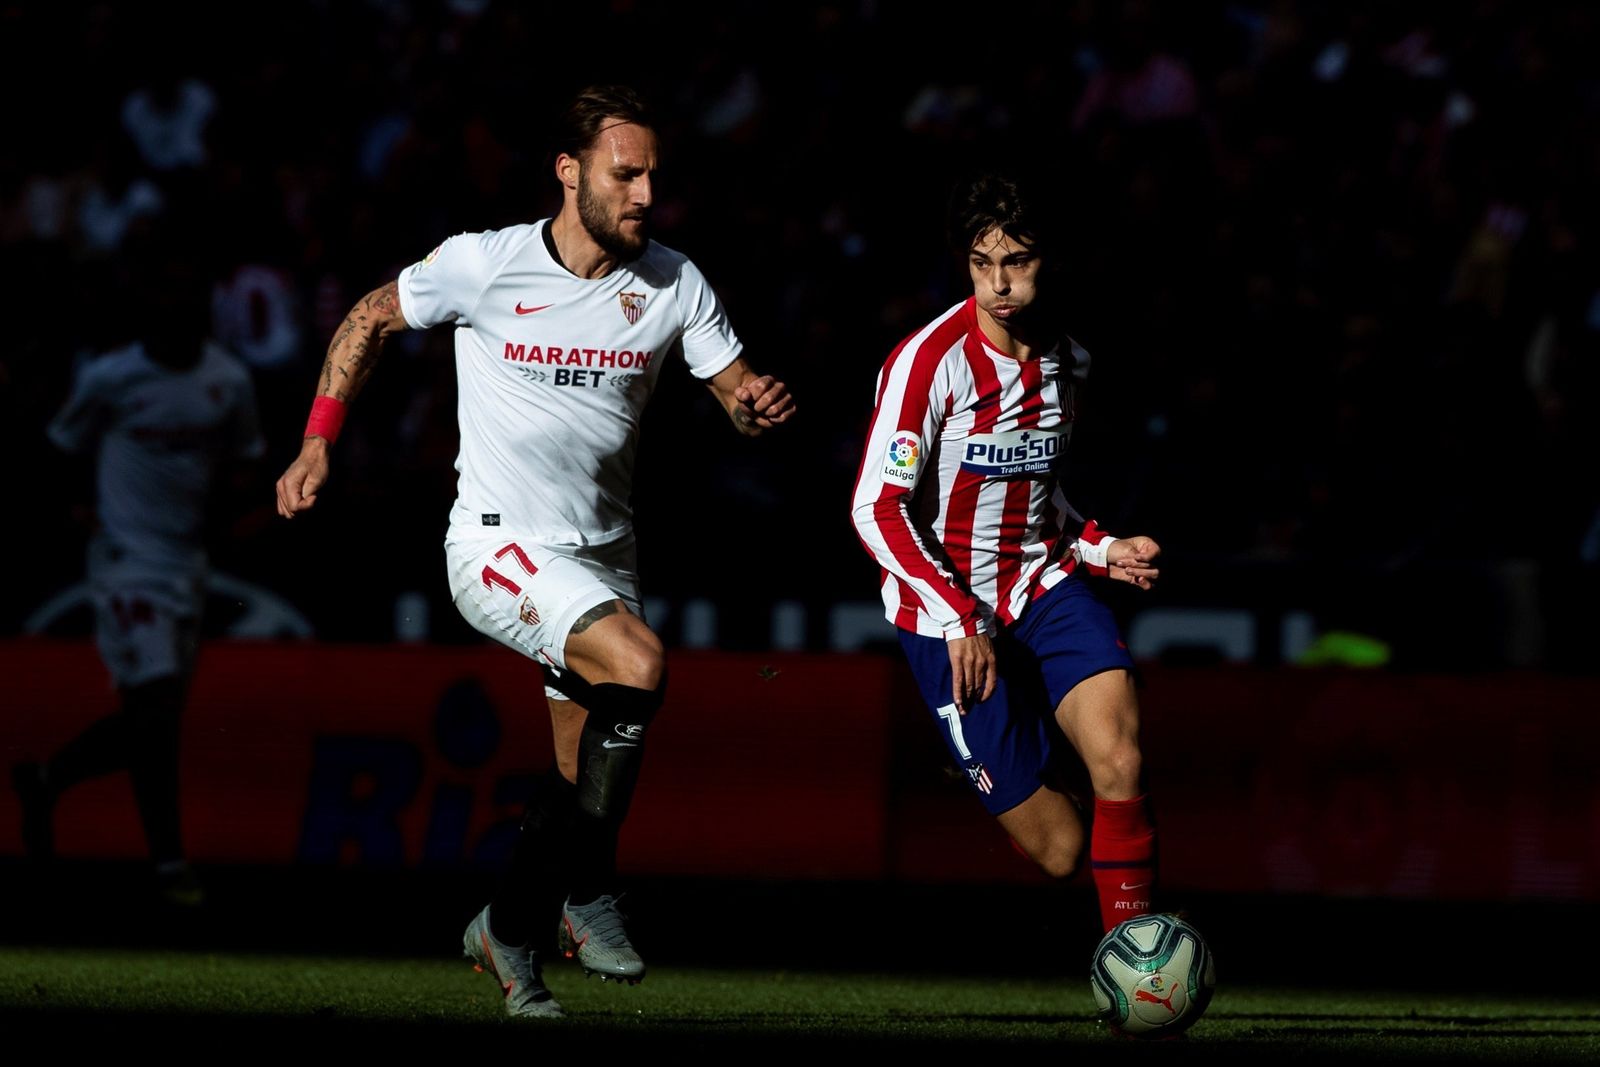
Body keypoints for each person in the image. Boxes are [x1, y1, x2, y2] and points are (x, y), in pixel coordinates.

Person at [274, 84, 794, 1019]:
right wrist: (318, 438)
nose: (644, 195)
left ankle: (509, 933)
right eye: (624, 174)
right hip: (497, 547)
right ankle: (588, 895)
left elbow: (733, 388)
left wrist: (754, 404)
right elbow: (367, 317)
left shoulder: (676, 280)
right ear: (570, 172)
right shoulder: (486, 264)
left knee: (582, 776)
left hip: (605, 555)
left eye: (652, 178)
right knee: (640, 664)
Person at [850, 170, 1162, 943]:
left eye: (1017, 261)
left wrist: (1100, 546)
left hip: (1042, 584)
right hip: (946, 613)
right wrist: (959, 616)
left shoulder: (1069, 363)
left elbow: (1038, 491)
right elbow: (874, 507)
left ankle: (1142, 963)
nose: (999, 282)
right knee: (1060, 851)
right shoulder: (926, 365)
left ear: (1046, 259)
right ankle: (1101, 850)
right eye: (982, 262)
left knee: (1121, 759)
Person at [12, 241, 266, 909]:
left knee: (156, 721)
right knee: (153, 709)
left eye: (186, 292)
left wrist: (230, 521)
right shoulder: (110, 377)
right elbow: (60, 448)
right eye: (163, 292)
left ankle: (49, 780)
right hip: (125, 563)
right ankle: (169, 866)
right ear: (147, 304)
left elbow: (243, 464)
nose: (174, 305)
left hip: (187, 566)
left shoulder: (227, 381)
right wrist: (74, 511)